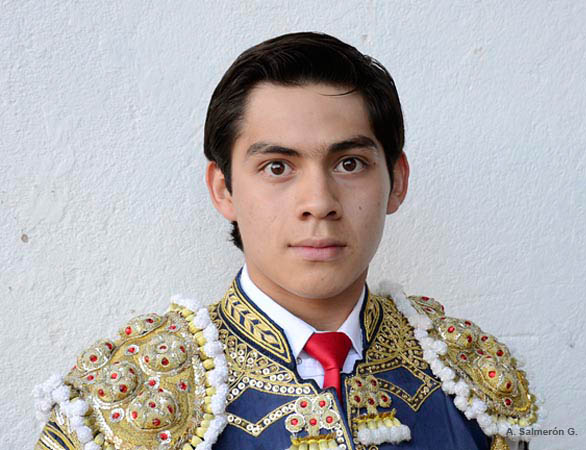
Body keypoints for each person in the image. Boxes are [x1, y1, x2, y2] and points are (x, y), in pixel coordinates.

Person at [34, 32, 540, 450]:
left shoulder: (470, 381)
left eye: (350, 163)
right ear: (224, 189)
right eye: (277, 167)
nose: (318, 202)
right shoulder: (117, 403)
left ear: (397, 181)